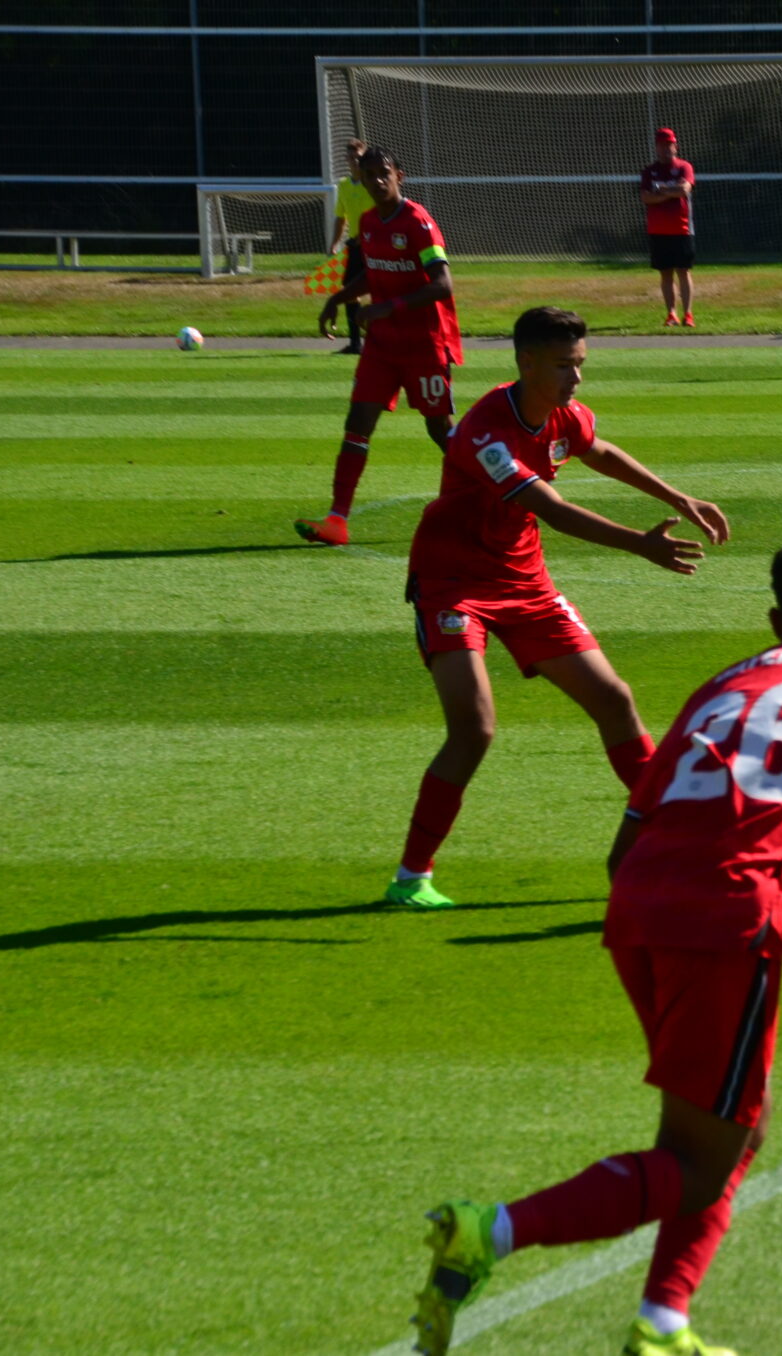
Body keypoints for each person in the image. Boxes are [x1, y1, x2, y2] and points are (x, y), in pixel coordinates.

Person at [409, 533, 782, 1356]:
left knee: (725, 1132)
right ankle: (491, 1231)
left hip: (638, 907)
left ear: (774, 617)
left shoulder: (719, 686)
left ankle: (663, 1323)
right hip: (728, 919)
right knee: (704, 1160)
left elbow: (625, 843)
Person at [383, 306, 730, 910]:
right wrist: (639, 544)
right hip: (453, 583)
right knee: (475, 728)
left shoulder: (563, 412)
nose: (577, 379)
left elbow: (596, 449)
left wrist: (678, 495)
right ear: (526, 362)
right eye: (564, 366)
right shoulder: (486, 431)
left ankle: (671, 841)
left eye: (581, 365)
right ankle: (411, 877)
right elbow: (553, 508)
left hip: (524, 581)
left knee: (615, 700)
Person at [299, 146, 462, 547]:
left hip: (424, 344)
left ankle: (496, 494)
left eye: (382, 172)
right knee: (357, 426)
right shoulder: (369, 223)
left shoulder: (419, 223)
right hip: (382, 348)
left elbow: (443, 285)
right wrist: (337, 299)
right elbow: (373, 276)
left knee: (440, 430)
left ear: (399, 176)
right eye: (368, 173)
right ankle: (337, 520)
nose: (374, 180)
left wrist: (387, 307)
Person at [640, 128, 697, 328]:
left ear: (675, 146)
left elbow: (684, 189)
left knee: (684, 271)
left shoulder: (684, 167)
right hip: (658, 229)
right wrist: (669, 192)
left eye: (669, 145)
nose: (666, 149)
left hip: (681, 228)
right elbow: (646, 197)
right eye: (662, 145)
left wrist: (661, 191)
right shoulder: (650, 171)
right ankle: (671, 313)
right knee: (665, 273)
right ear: (656, 147)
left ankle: (688, 314)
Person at [324, 138, 374, 355]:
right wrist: (335, 242)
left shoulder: (373, 183)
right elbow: (340, 217)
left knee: (380, 291)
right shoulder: (344, 185)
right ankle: (355, 343)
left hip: (374, 245)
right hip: (354, 246)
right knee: (350, 293)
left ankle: (380, 340)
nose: (354, 161)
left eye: (358, 157)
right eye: (350, 157)